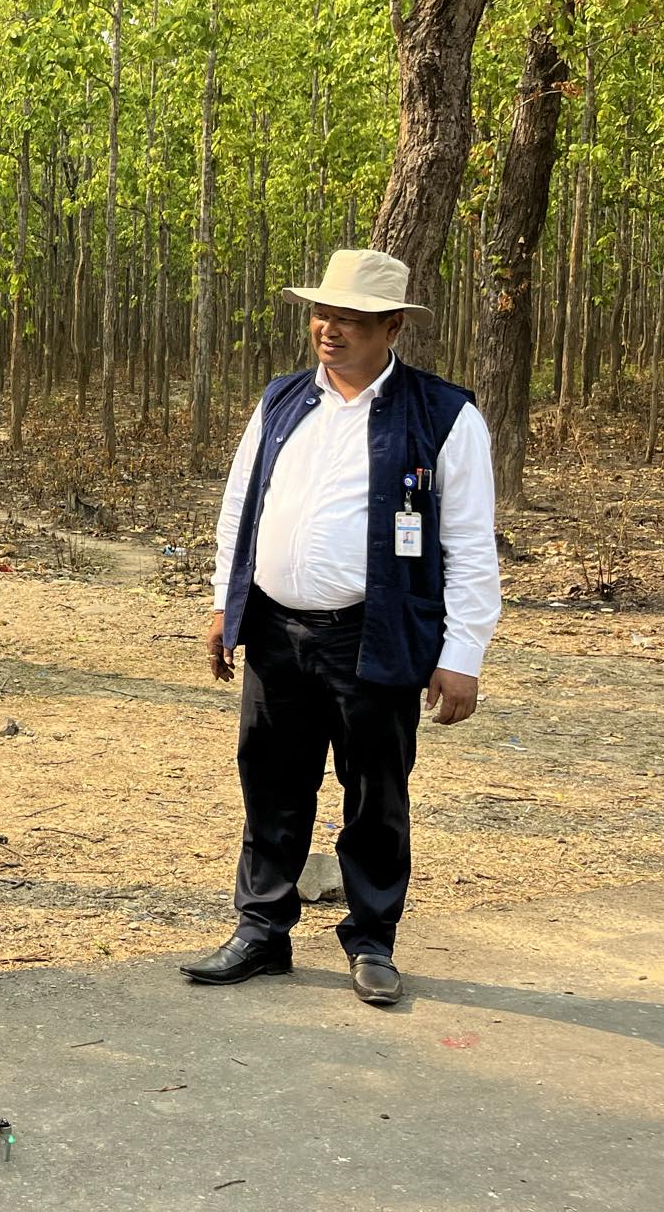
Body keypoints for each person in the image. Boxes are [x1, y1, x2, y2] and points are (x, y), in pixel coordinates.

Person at [187, 249, 500, 1009]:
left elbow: (468, 540)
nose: (330, 329)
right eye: (322, 313)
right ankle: (262, 928)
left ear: (392, 327)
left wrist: (463, 655)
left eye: (352, 319)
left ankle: (372, 938)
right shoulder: (284, 400)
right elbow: (242, 508)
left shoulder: (444, 415)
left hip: (377, 635)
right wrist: (225, 604)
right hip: (275, 630)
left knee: (375, 795)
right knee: (270, 782)